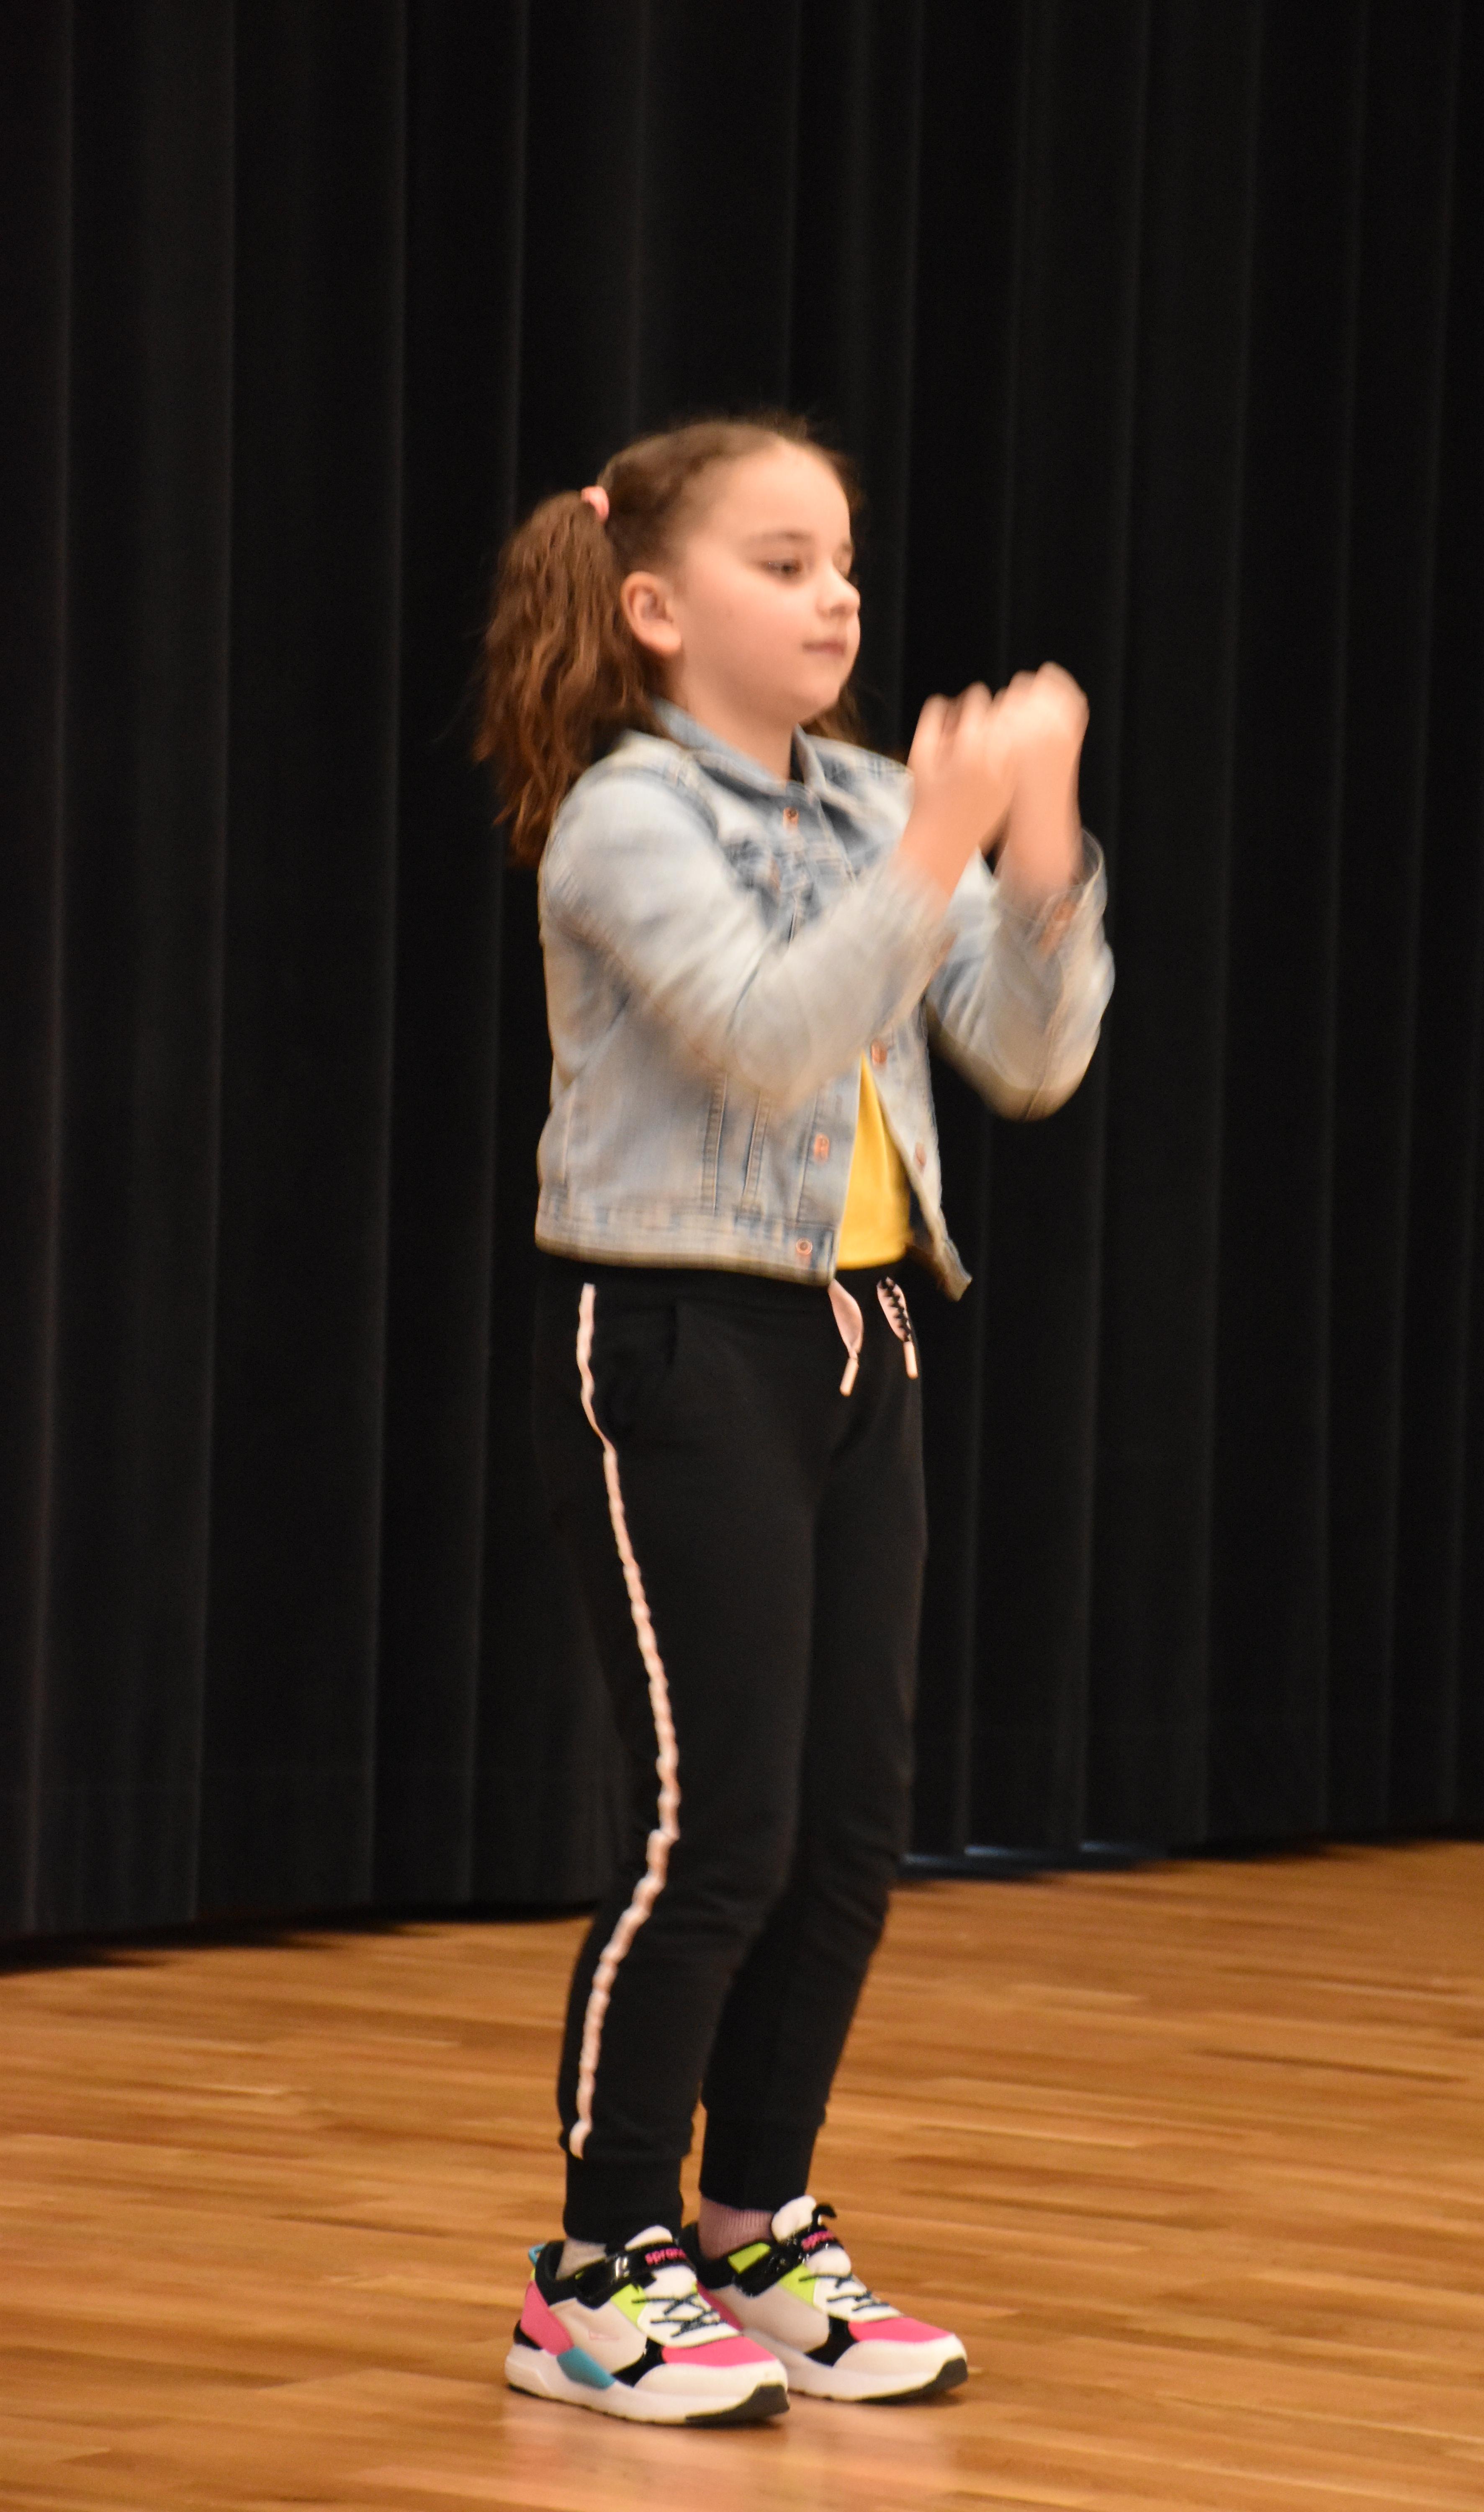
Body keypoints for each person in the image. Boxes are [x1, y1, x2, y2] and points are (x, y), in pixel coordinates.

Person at [475, 414, 1113, 2427]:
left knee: (846, 1829)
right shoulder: (622, 818)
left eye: (840, 560)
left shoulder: (868, 800)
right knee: (716, 1824)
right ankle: (597, 2263)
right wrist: (933, 849)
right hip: (679, 1343)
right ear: (657, 608)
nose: (833, 596)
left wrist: (1033, 839)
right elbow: (767, 1045)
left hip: (862, 1338)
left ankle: (750, 2223)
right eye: (780, 562)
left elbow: (1025, 1058)